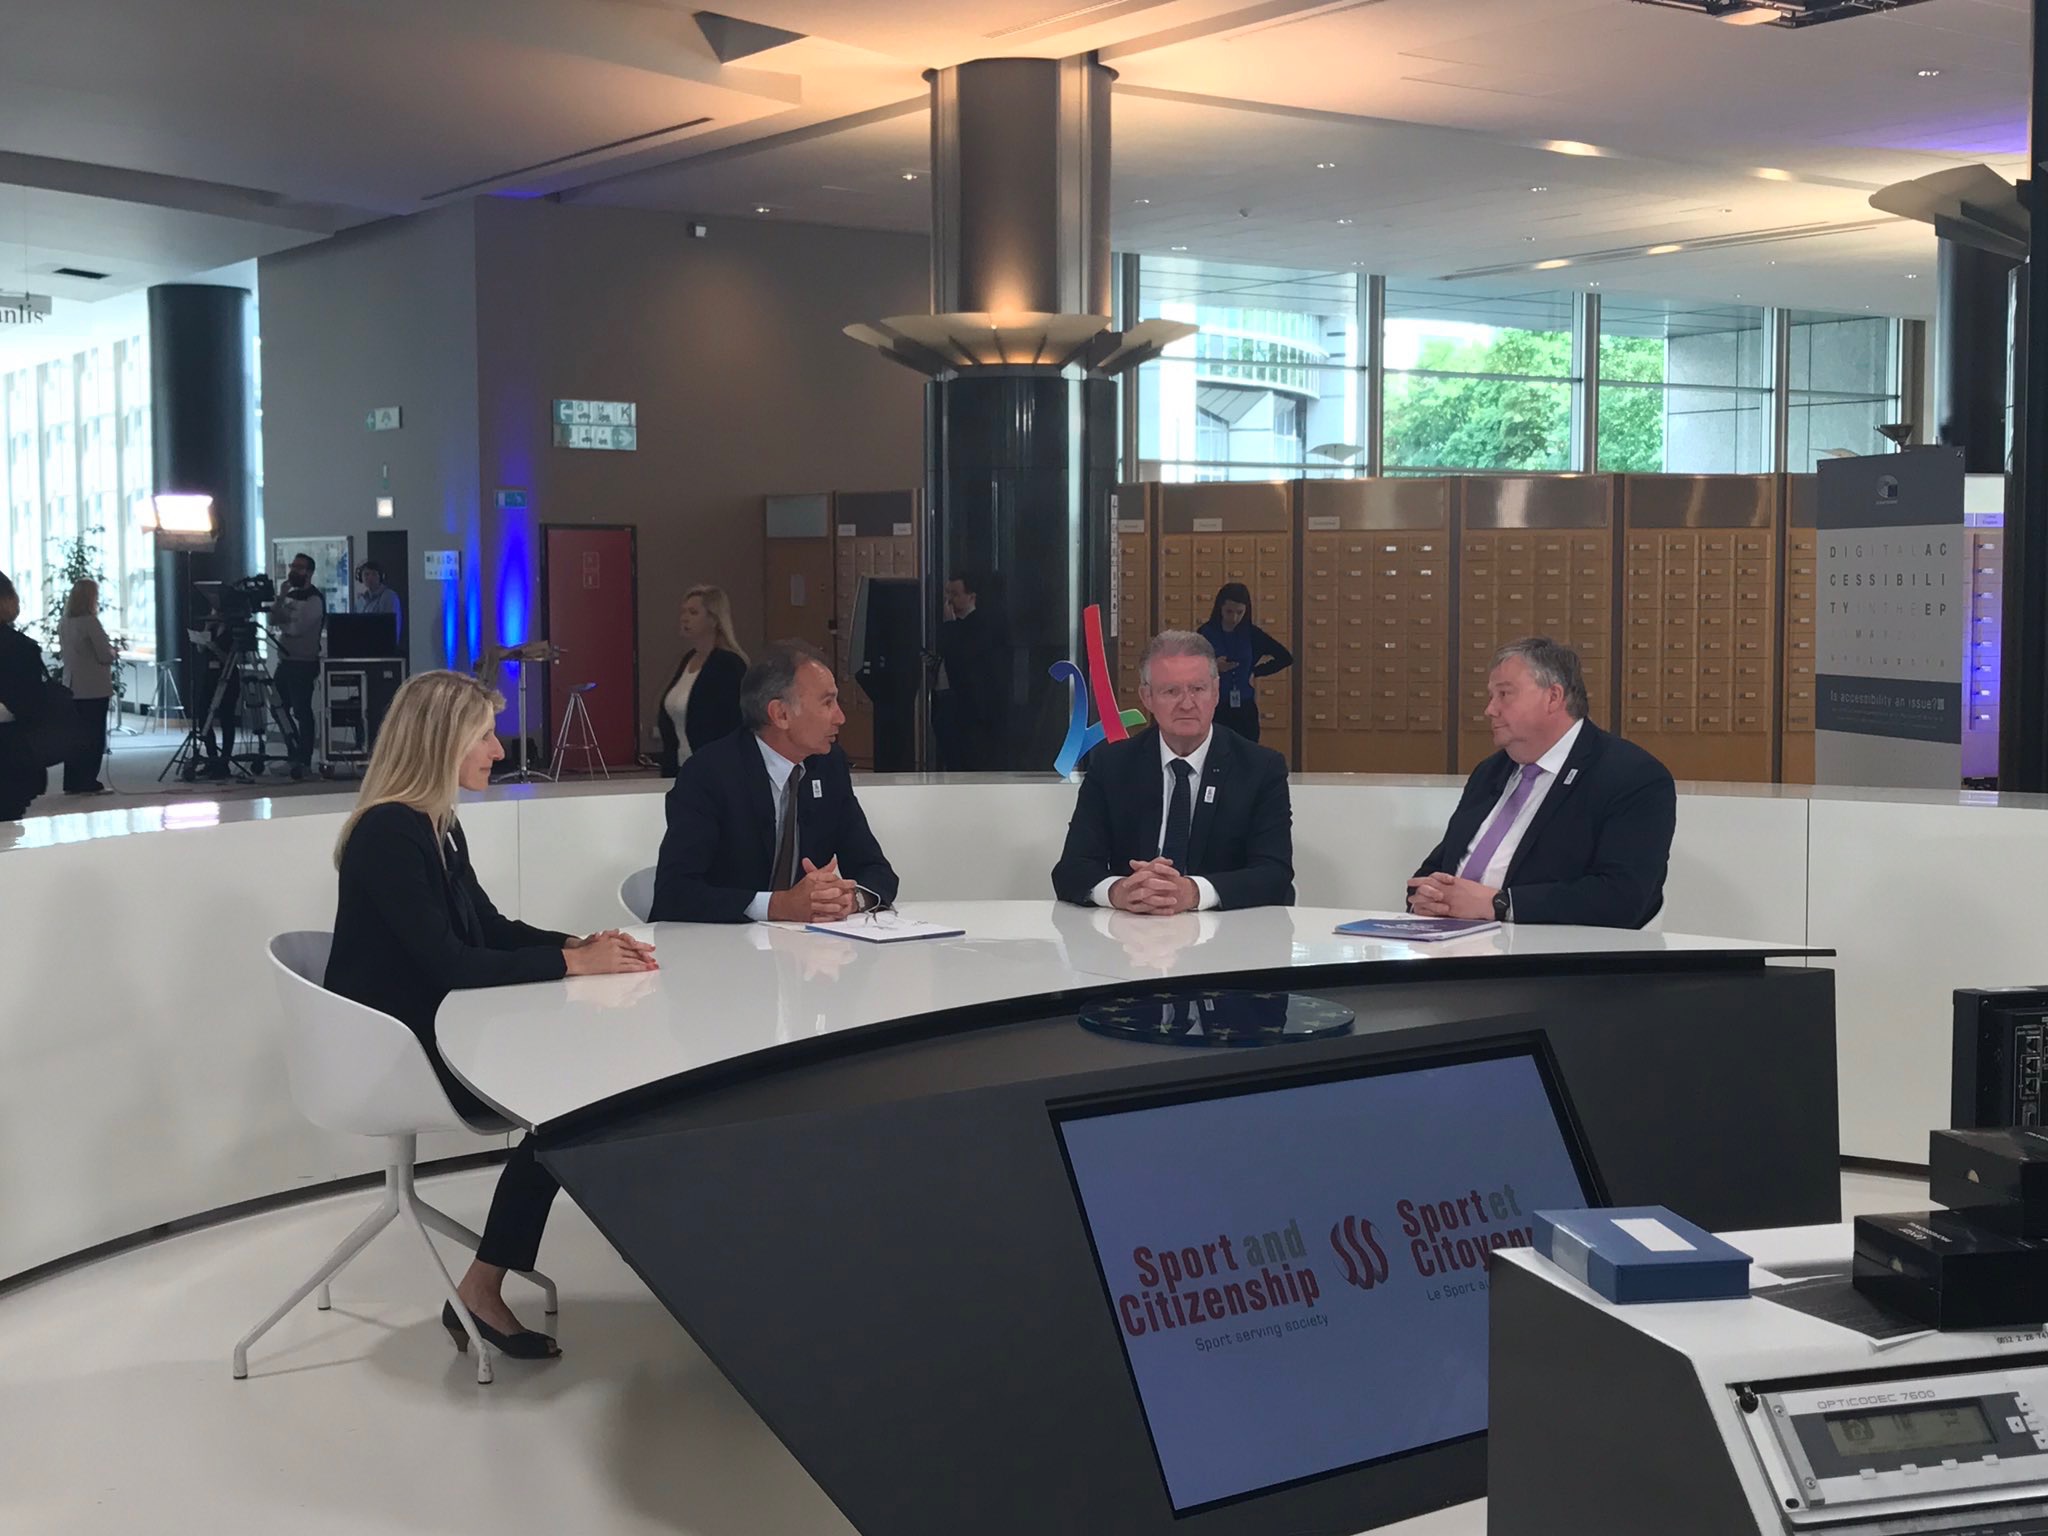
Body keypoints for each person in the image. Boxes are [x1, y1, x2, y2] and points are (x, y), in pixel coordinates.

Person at [324, 670, 657, 1359]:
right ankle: (481, 1288)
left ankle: (488, 1282)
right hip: (400, 1054)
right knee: (571, 1105)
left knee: (585, 1089)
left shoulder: (436, 826)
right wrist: (572, 965)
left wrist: (577, 944)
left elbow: (491, 929)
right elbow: (451, 963)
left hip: (441, 1030)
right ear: (441, 741)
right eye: (485, 736)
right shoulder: (389, 833)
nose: (499, 751)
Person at [1408, 636, 1675, 929]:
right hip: (1451, 942)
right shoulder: (1490, 772)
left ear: (1553, 697)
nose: (1490, 709)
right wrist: (1426, 896)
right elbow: (1441, 863)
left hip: (1551, 951)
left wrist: (1500, 904)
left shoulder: (1632, 776)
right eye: (1491, 696)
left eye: (1504, 694)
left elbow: (1622, 897)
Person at [649, 640, 899, 924]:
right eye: (827, 703)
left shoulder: (828, 766)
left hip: (803, 946)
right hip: (723, 944)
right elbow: (675, 894)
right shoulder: (710, 774)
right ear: (781, 714)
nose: (840, 717)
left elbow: (877, 870)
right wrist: (777, 906)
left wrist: (850, 899)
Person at [1051, 629, 1294, 913]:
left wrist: (1193, 892)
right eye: (1171, 691)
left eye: (1198, 689)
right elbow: (1071, 869)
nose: (1187, 704)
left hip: (1225, 932)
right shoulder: (1112, 765)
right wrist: (1119, 891)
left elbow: (1274, 874)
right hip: (1132, 930)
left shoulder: (1260, 768)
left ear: (1216, 692)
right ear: (1147, 697)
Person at [656, 584, 747, 777]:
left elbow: (732, 722)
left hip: (714, 769)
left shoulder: (728, 665)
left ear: (713, 620)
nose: (684, 618)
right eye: (683, 612)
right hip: (680, 766)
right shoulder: (688, 659)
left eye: (693, 612)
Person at [1197, 582, 1292, 744]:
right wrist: (1212, 667)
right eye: (1229, 611)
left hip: (1244, 708)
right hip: (1214, 707)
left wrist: (1255, 672)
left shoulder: (1252, 634)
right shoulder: (1206, 633)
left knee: (1247, 752)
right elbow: (1187, 669)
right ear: (1220, 608)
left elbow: (1285, 657)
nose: (1234, 618)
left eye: (1239, 612)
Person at [932, 570, 1005, 770]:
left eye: (955, 594)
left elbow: (961, 657)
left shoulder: (981, 625)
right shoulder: (948, 624)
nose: (949, 600)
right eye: (948, 593)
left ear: (971, 597)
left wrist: (950, 625)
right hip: (946, 700)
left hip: (970, 708)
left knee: (967, 760)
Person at [58, 578, 116, 795]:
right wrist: (113, 652)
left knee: (75, 736)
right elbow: (104, 655)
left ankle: (72, 781)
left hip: (72, 685)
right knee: (94, 735)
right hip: (93, 687)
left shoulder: (65, 622)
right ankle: (88, 780)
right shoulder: (90, 622)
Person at [271, 552, 325, 779]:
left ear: (309, 572)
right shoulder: (290, 595)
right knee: (277, 707)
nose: (294, 570)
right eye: (292, 566)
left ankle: (304, 760)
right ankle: (292, 752)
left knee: (302, 710)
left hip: (304, 662)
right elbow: (273, 621)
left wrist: (284, 621)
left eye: (299, 567)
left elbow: (296, 629)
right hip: (285, 660)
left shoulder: (314, 599)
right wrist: (281, 598)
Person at [0, 571, 49, 821]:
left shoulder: (19, 647)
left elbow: (28, 706)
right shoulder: (21, 647)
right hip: (10, 754)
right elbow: (32, 707)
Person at [356, 561, 402, 645]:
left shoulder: (389, 597)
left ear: (381, 577)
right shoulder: (361, 600)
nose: (370, 578)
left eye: (374, 574)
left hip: (382, 647)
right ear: (361, 578)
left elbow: (391, 628)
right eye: (366, 574)